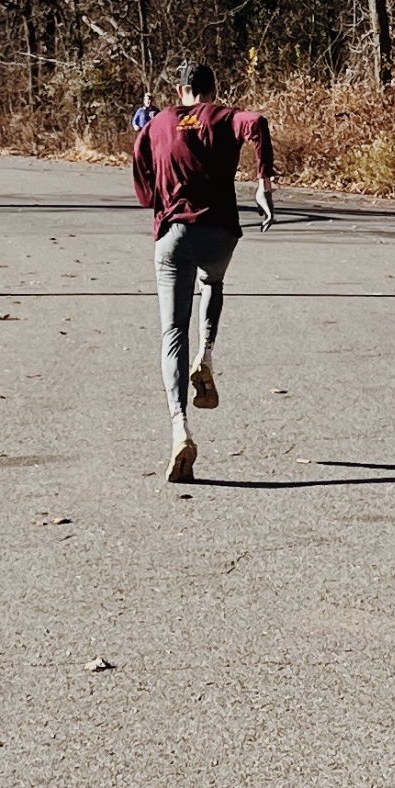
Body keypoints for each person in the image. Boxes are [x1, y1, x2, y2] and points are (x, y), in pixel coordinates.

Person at [132, 59, 275, 484]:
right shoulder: (224, 117)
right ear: (213, 90)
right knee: (213, 281)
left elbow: (142, 178)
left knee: (173, 331)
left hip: (173, 236)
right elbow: (258, 123)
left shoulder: (157, 124)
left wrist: (156, 189)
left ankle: (180, 427)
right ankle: (207, 353)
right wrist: (263, 185)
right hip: (220, 235)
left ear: (180, 92)